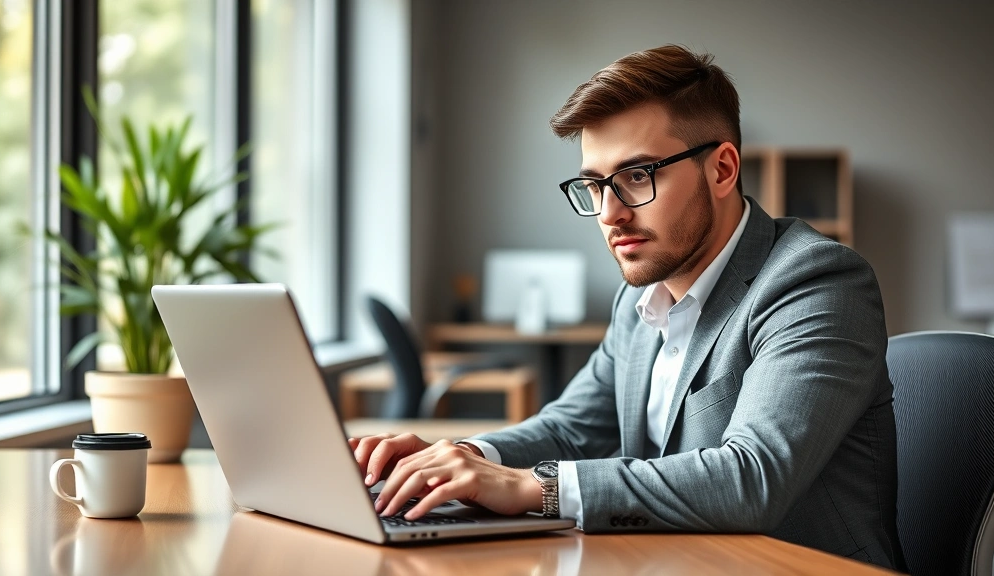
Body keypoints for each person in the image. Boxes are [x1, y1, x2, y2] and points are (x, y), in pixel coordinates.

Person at [348, 44, 904, 570]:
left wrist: (534, 489)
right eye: (594, 186)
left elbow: (750, 479)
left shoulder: (817, 282)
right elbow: (572, 429)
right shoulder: (640, 294)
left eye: (636, 176)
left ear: (722, 169)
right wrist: (464, 458)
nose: (610, 214)